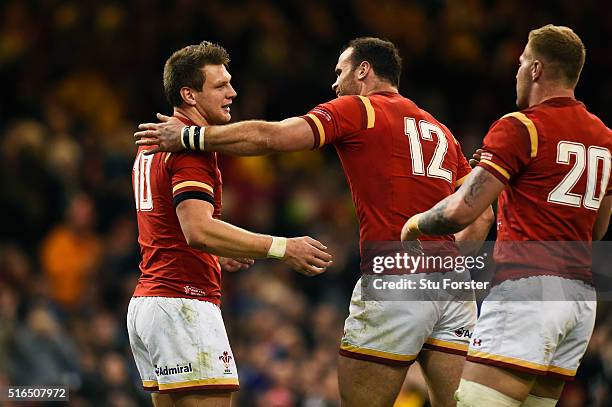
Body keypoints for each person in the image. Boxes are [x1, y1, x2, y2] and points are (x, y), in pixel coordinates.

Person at [134, 37, 494, 406]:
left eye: (340, 73)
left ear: (363, 71)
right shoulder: (440, 130)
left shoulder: (359, 109)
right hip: (454, 285)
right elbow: (482, 212)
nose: (335, 85)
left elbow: (273, 137)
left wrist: (192, 136)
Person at [401, 25, 612, 406]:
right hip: (580, 300)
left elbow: (459, 211)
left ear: (535, 69)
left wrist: (414, 224)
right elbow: (597, 229)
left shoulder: (521, 126)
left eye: (520, 63)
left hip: (529, 290)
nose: (515, 72)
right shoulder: (605, 138)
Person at [128, 41, 332, 407]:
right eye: (220, 85)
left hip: (150, 304)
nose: (232, 92)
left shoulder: (150, 147)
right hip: (183, 302)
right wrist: (283, 248)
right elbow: (199, 230)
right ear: (189, 94)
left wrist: (218, 253)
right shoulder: (189, 149)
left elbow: (168, 228)